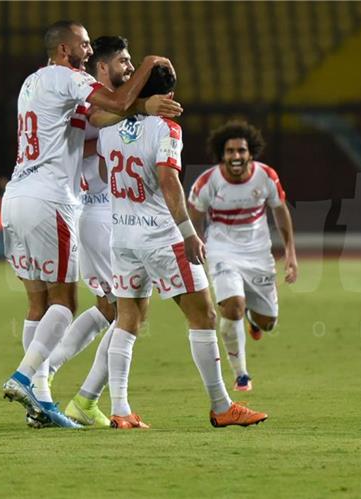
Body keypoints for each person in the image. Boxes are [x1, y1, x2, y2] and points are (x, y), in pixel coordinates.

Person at [1, 20, 182, 429]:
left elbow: (98, 117)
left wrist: (140, 104)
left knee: (43, 304)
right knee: (85, 305)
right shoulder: (73, 81)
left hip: (19, 194)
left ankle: (41, 399)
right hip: (71, 204)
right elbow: (115, 107)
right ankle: (32, 379)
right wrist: (149, 75)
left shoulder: (33, 83)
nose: (87, 49)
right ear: (66, 50)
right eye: (83, 44)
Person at [97, 66, 268, 429]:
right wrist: (189, 232)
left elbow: (102, 174)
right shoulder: (167, 128)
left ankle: (121, 409)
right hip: (161, 236)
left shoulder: (108, 127)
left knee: (127, 320)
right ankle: (221, 406)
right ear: (170, 97)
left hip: (122, 235)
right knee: (203, 316)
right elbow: (167, 179)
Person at [42, 36, 136, 428]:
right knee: (125, 309)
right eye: (124, 61)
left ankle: (52, 376)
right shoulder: (93, 103)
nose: (129, 68)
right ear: (102, 66)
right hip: (96, 212)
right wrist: (141, 103)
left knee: (108, 308)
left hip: (105, 213)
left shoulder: (108, 101)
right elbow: (98, 123)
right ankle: (66, 387)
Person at [188, 121, 298, 391]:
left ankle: (253, 318)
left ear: (251, 153)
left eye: (241, 151)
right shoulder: (207, 182)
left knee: (268, 324)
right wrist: (196, 245)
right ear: (221, 154)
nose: (236, 156)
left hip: (258, 253)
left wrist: (290, 253)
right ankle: (241, 375)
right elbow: (194, 216)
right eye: (230, 151)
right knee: (232, 307)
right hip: (222, 251)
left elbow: (280, 211)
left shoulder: (266, 176)